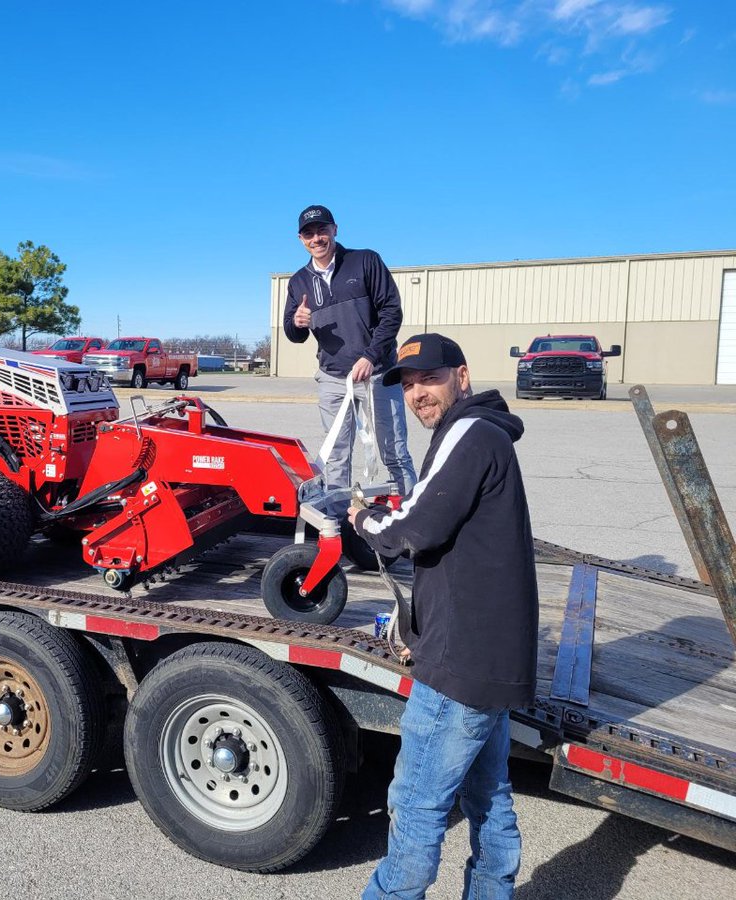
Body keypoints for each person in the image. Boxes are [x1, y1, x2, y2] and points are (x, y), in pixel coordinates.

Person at [348, 333, 538, 900]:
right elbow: (450, 539)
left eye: (427, 379)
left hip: (461, 666)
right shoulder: (482, 433)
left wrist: (363, 521)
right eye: (406, 386)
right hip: (486, 657)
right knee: (489, 795)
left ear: (461, 375)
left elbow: (417, 527)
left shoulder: (469, 431)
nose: (416, 394)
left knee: (415, 803)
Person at [283, 205, 416, 493]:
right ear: (300, 239)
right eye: (309, 234)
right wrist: (297, 322)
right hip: (333, 380)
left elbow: (392, 311)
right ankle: (339, 523)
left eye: (322, 230)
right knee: (336, 457)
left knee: (395, 451)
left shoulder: (365, 261)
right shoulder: (298, 281)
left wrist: (371, 355)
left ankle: (412, 519)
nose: (316, 239)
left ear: (335, 230)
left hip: (378, 375)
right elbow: (294, 335)